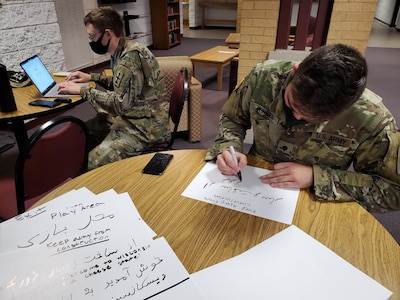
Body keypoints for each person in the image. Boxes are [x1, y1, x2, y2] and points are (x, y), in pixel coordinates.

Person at [206, 43, 400, 212]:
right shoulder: (263, 77)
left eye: (313, 119)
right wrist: (228, 146)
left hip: (314, 202)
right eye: (291, 104)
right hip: (253, 183)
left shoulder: (373, 118)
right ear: (295, 71)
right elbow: (233, 117)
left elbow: (394, 191)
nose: (297, 116)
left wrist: (317, 178)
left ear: (347, 108)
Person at [58, 7, 170, 170]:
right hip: (135, 115)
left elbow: (119, 104)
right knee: (82, 133)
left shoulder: (129, 59)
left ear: (107, 34)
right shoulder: (122, 49)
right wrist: (91, 77)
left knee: (91, 163)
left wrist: (83, 90)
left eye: (92, 36)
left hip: (146, 127)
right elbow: (122, 85)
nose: (90, 41)